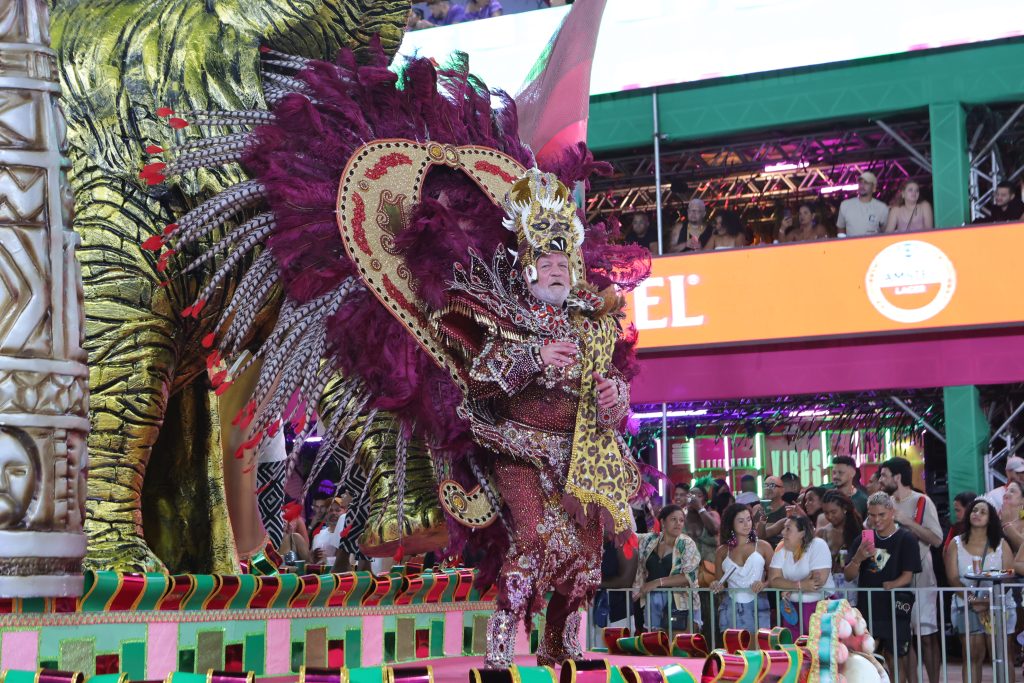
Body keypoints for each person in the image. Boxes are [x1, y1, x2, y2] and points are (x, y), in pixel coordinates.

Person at [432, 169, 637, 668]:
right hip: (519, 450)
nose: (557, 269)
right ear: (527, 267)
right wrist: (534, 358)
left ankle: (562, 645)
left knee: (587, 556)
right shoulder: (506, 314)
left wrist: (615, 397)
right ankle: (500, 650)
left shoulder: (591, 327)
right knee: (534, 542)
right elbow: (479, 377)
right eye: (546, 262)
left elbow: (610, 402)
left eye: (563, 262)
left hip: (580, 461)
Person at [845, 492, 921, 683]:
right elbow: (848, 575)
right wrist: (859, 558)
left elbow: (908, 575)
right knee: (867, 659)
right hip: (868, 609)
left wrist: (891, 585)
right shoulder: (863, 540)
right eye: (872, 515)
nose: (876, 520)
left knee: (896, 658)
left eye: (881, 515)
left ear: (892, 512)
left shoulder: (906, 539)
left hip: (895, 608)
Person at [878, 457, 942, 683]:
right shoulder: (882, 504)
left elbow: (936, 539)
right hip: (894, 579)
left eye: (884, 475)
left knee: (926, 637)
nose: (880, 480)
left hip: (922, 578)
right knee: (901, 637)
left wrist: (908, 521)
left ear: (897, 477)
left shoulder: (921, 501)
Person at [946, 498, 1015, 683]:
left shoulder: (1001, 544)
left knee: (1001, 654)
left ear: (991, 519)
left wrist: (988, 602)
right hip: (966, 606)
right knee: (971, 655)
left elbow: (1009, 575)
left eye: (983, 512)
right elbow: (952, 578)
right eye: (974, 510)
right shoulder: (956, 544)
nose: (977, 514)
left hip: (998, 606)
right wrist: (972, 600)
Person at [633, 505, 701, 632]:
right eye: (673, 519)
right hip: (653, 601)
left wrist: (656, 583)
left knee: (679, 646)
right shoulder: (649, 539)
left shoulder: (687, 543)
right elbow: (628, 535)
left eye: (681, 520)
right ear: (663, 522)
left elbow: (688, 577)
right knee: (655, 645)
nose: (678, 523)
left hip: (681, 601)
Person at [767, 516, 835, 638]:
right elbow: (773, 581)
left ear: (802, 533)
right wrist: (800, 585)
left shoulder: (818, 545)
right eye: (783, 528)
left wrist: (787, 586)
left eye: (788, 529)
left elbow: (817, 582)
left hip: (819, 607)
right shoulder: (782, 549)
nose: (783, 532)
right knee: (794, 650)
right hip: (792, 608)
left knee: (818, 650)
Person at [711, 504, 773, 635]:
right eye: (741, 521)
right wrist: (715, 585)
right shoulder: (722, 551)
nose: (747, 524)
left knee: (759, 647)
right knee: (734, 649)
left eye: (748, 519)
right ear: (730, 524)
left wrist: (764, 584)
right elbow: (719, 582)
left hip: (758, 604)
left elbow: (776, 577)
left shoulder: (763, 546)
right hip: (731, 606)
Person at [818, 490, 864, 602]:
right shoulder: (822, 533)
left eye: (833, 512)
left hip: (857, 588)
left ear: (844, 509)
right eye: (826, 513)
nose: (830, 516)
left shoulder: (860, 530)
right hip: (830, 590)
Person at [683, 484, 721, 586]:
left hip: (711, 576)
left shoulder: (712, 515)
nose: (693, 499)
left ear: (704, 499)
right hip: (688, 578)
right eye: (690, 495)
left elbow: (715, 529)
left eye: (697, 496)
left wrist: (700, 508)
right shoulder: (681, 520)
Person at [836, 171, 889, 237]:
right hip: (852, 246)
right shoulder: (845, 205)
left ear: (873, 187)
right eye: (860, 182)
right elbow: (841, 228)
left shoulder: (882, 207)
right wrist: (844, 245)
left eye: (866, 183)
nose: (862, 185)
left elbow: (886, 231)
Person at [759, 476, 787, 548]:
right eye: (765, 485)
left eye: (772, 485)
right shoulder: (757, 509)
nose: (768, 488)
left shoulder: (788, 510)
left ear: (782, 491)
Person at [1000, 480, 1024, 554]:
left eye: (1012, 491)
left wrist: (1007, 525)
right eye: (1006, 490)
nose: (1006, 493)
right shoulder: (995, 519)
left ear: (1022, 500)